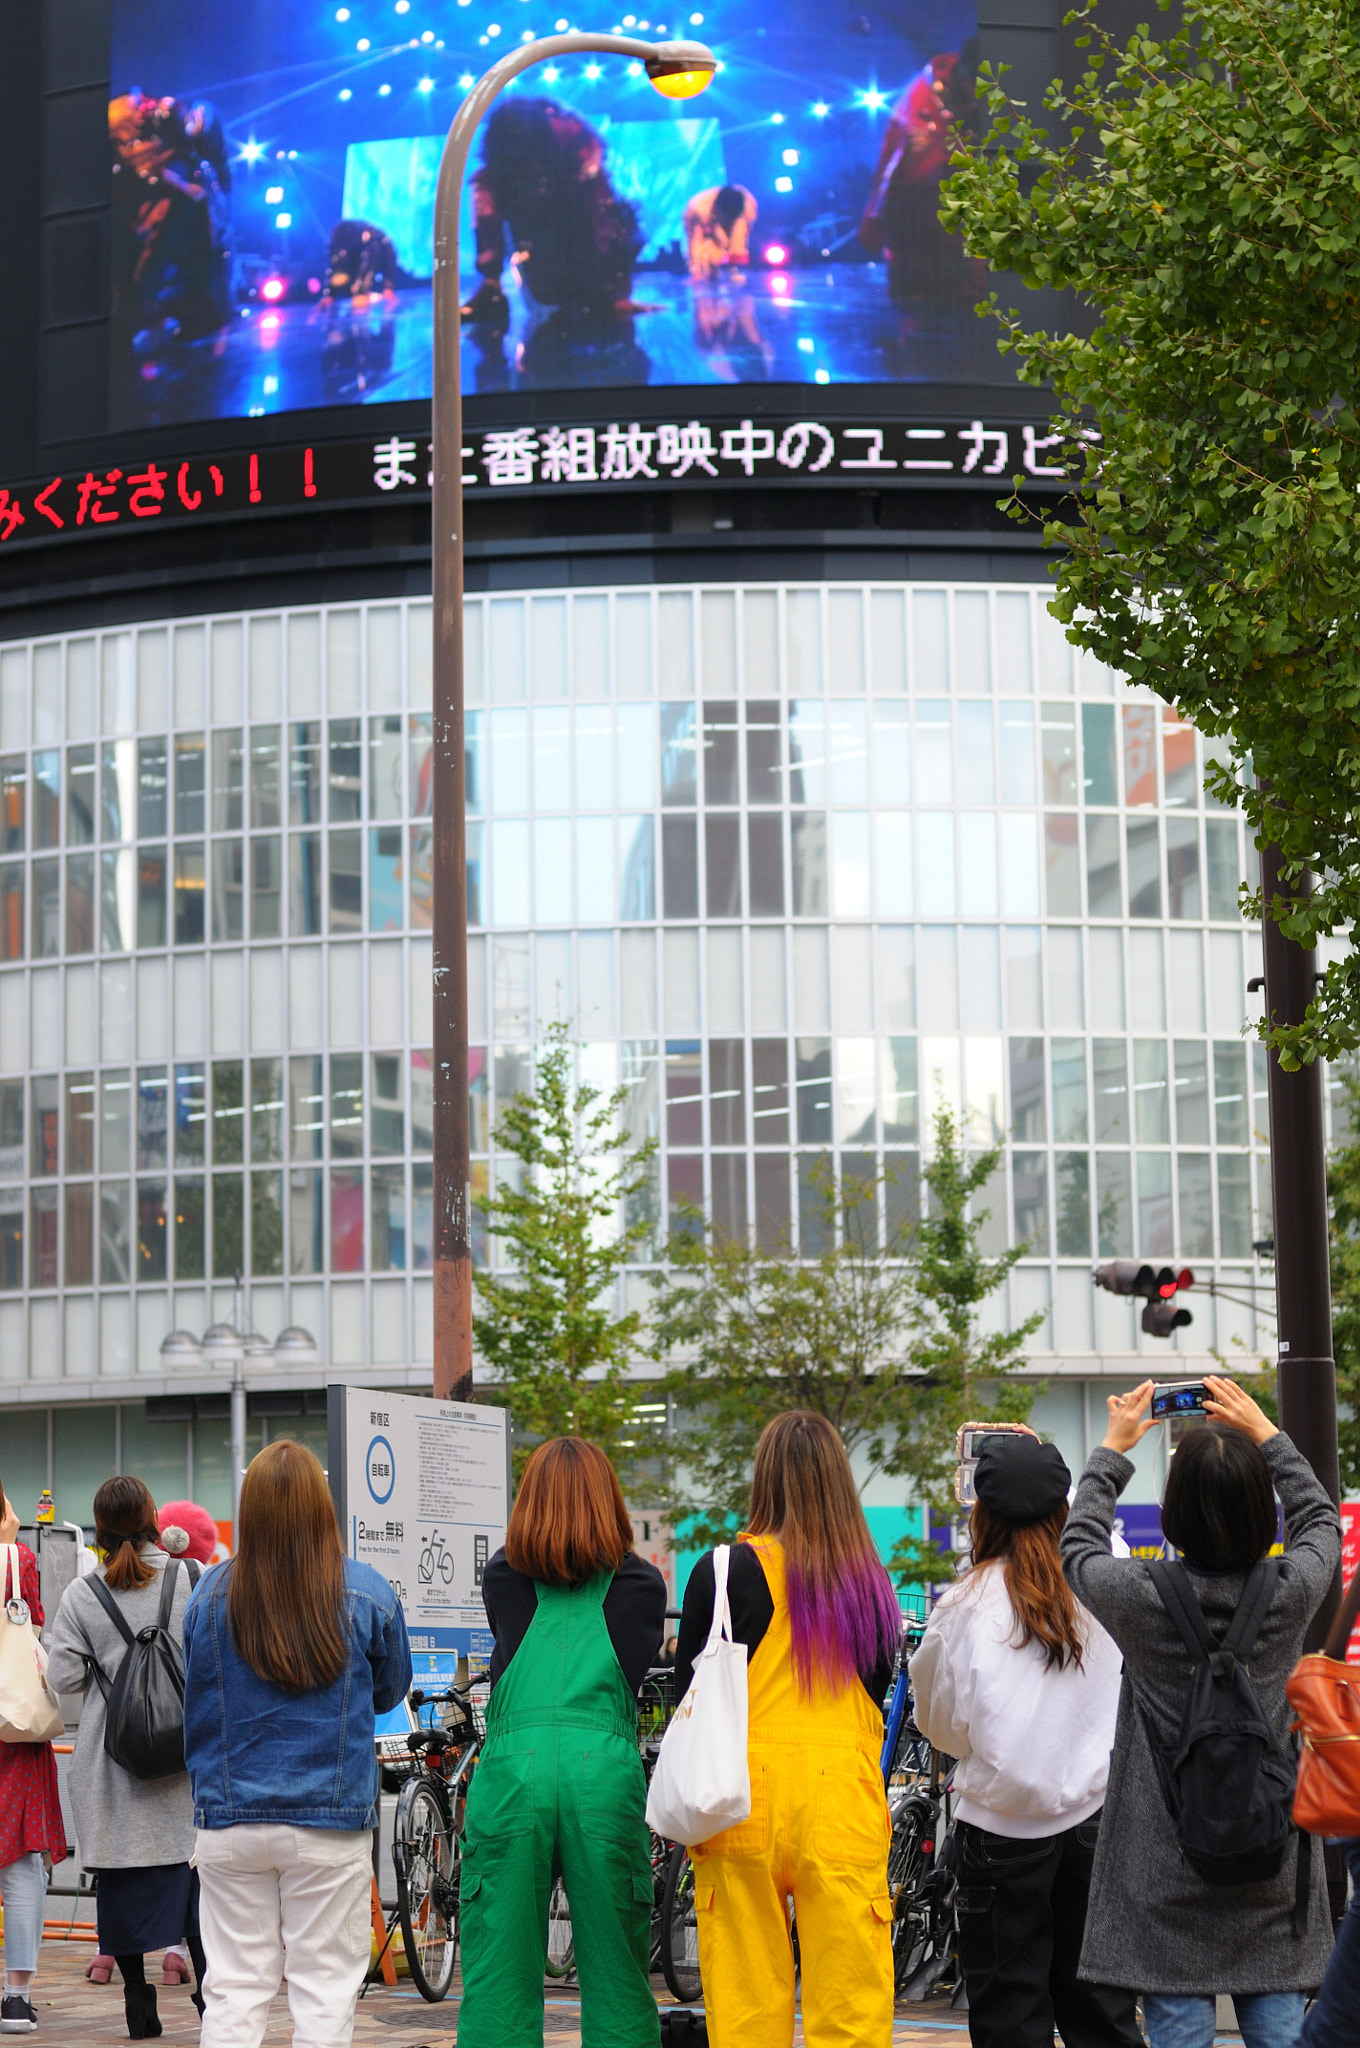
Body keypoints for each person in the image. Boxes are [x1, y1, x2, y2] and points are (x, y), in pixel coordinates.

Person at [1062, 1376, 1341, 2048]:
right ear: (1259, 1512)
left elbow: (1077, 1547)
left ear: (1173, 1510)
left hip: (1164, 1878)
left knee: (1179, 2032)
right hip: (1271, 1866)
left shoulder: (1136, 1598)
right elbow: (1321, 1520)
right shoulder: (1292, 1592)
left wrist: (1114, 1449)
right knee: (1280, 2032)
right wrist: (1268, 1436)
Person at [674, 1410, 901, 2048]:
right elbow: (877, 1690)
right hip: (842, 1800)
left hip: (737, 1797)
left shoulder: (720, 1572)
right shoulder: (869, 1584)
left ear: (763, 1478)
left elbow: (686, 1687)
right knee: (852, 2006)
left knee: (746, 2007)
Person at [908, 1432, 1142, 2048]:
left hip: (999, 1830)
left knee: (1010, 2015)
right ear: (1064, 1508)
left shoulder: (963, 1605)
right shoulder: (1100, 1580)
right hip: (1094, 1819)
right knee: (1102, 2013)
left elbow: (938, 1720)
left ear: (981, 1514)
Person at [182, 1440, 409, 2048]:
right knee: (324, 1988)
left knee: (232, 1988)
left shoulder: (207, 1594)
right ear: (322, 1506)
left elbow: (196, 1693)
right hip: (329, 1820)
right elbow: (389, 1694)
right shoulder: (366, 1591)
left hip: (227, 1819)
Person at [457, 1436, 666, 2048]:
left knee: (499, 1972)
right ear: (609, 1500)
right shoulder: (641, 1586)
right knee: (618, 1979)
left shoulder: (502, 1576)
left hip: (512, 1775)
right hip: (602, 1774)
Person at [46, 1476, 206, 2039]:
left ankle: (139, 2005)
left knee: (123, 1884)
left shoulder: (81, 1594)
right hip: (185, 1757)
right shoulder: (191, 1577)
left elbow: (63, 1676)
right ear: (153, 1517)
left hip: (112, 1766)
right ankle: (211, 2001)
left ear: (100, 1528)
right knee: (192, 1885)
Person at [0, 1480, 66, 2037]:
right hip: (12, 1733)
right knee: (21, 1862)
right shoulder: (15, 1560)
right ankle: (15, 1998)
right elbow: (35, 1625)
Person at [684, 184, 758, 279]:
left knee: (740, 228)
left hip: (732, 217)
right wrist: (695, 265)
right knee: (707, 258)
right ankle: (706, 268)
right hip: (707, 224)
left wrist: (736, 255)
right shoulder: (698, 209)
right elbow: (695, 240)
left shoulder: (748, 207)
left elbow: (743, 235)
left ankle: (736, 267)